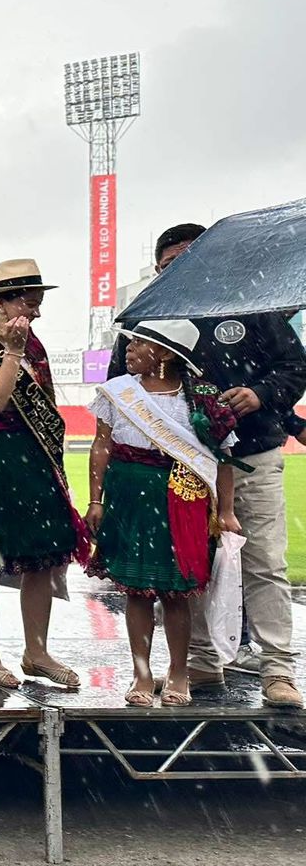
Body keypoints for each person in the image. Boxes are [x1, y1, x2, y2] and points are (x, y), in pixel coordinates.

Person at [109, 223, 306, 706]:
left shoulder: (250, 304)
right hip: (176, 469)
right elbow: (119, 386)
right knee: (189, 566)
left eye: (186, 259)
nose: (177, 271)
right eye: (167, 265)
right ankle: (199, 663)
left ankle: (277, 669)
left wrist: (259, 394)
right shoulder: (148, 314)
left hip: (251, 455)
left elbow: (295, 367)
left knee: (263, 562)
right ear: (158, 270)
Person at [0, 260, 89, 691]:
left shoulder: (30, 344)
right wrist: (11, 353)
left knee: (42, 554)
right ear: (2, 302)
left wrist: (18, 349)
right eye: (30, 302)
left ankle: (36, 652)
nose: (37, 312)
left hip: (29, 457)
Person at [87, 321, 241, 707]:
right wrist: (95, 500)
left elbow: (223, 458)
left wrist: (226, 510)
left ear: (167, 353)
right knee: (136, 591)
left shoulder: (201, 399)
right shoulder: (118, 392)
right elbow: (101, 446)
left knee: (175, 593)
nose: (129, 349)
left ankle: (178, 672)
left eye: (140, 343)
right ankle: (141, 673)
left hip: (182, 499)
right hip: (128, 497)